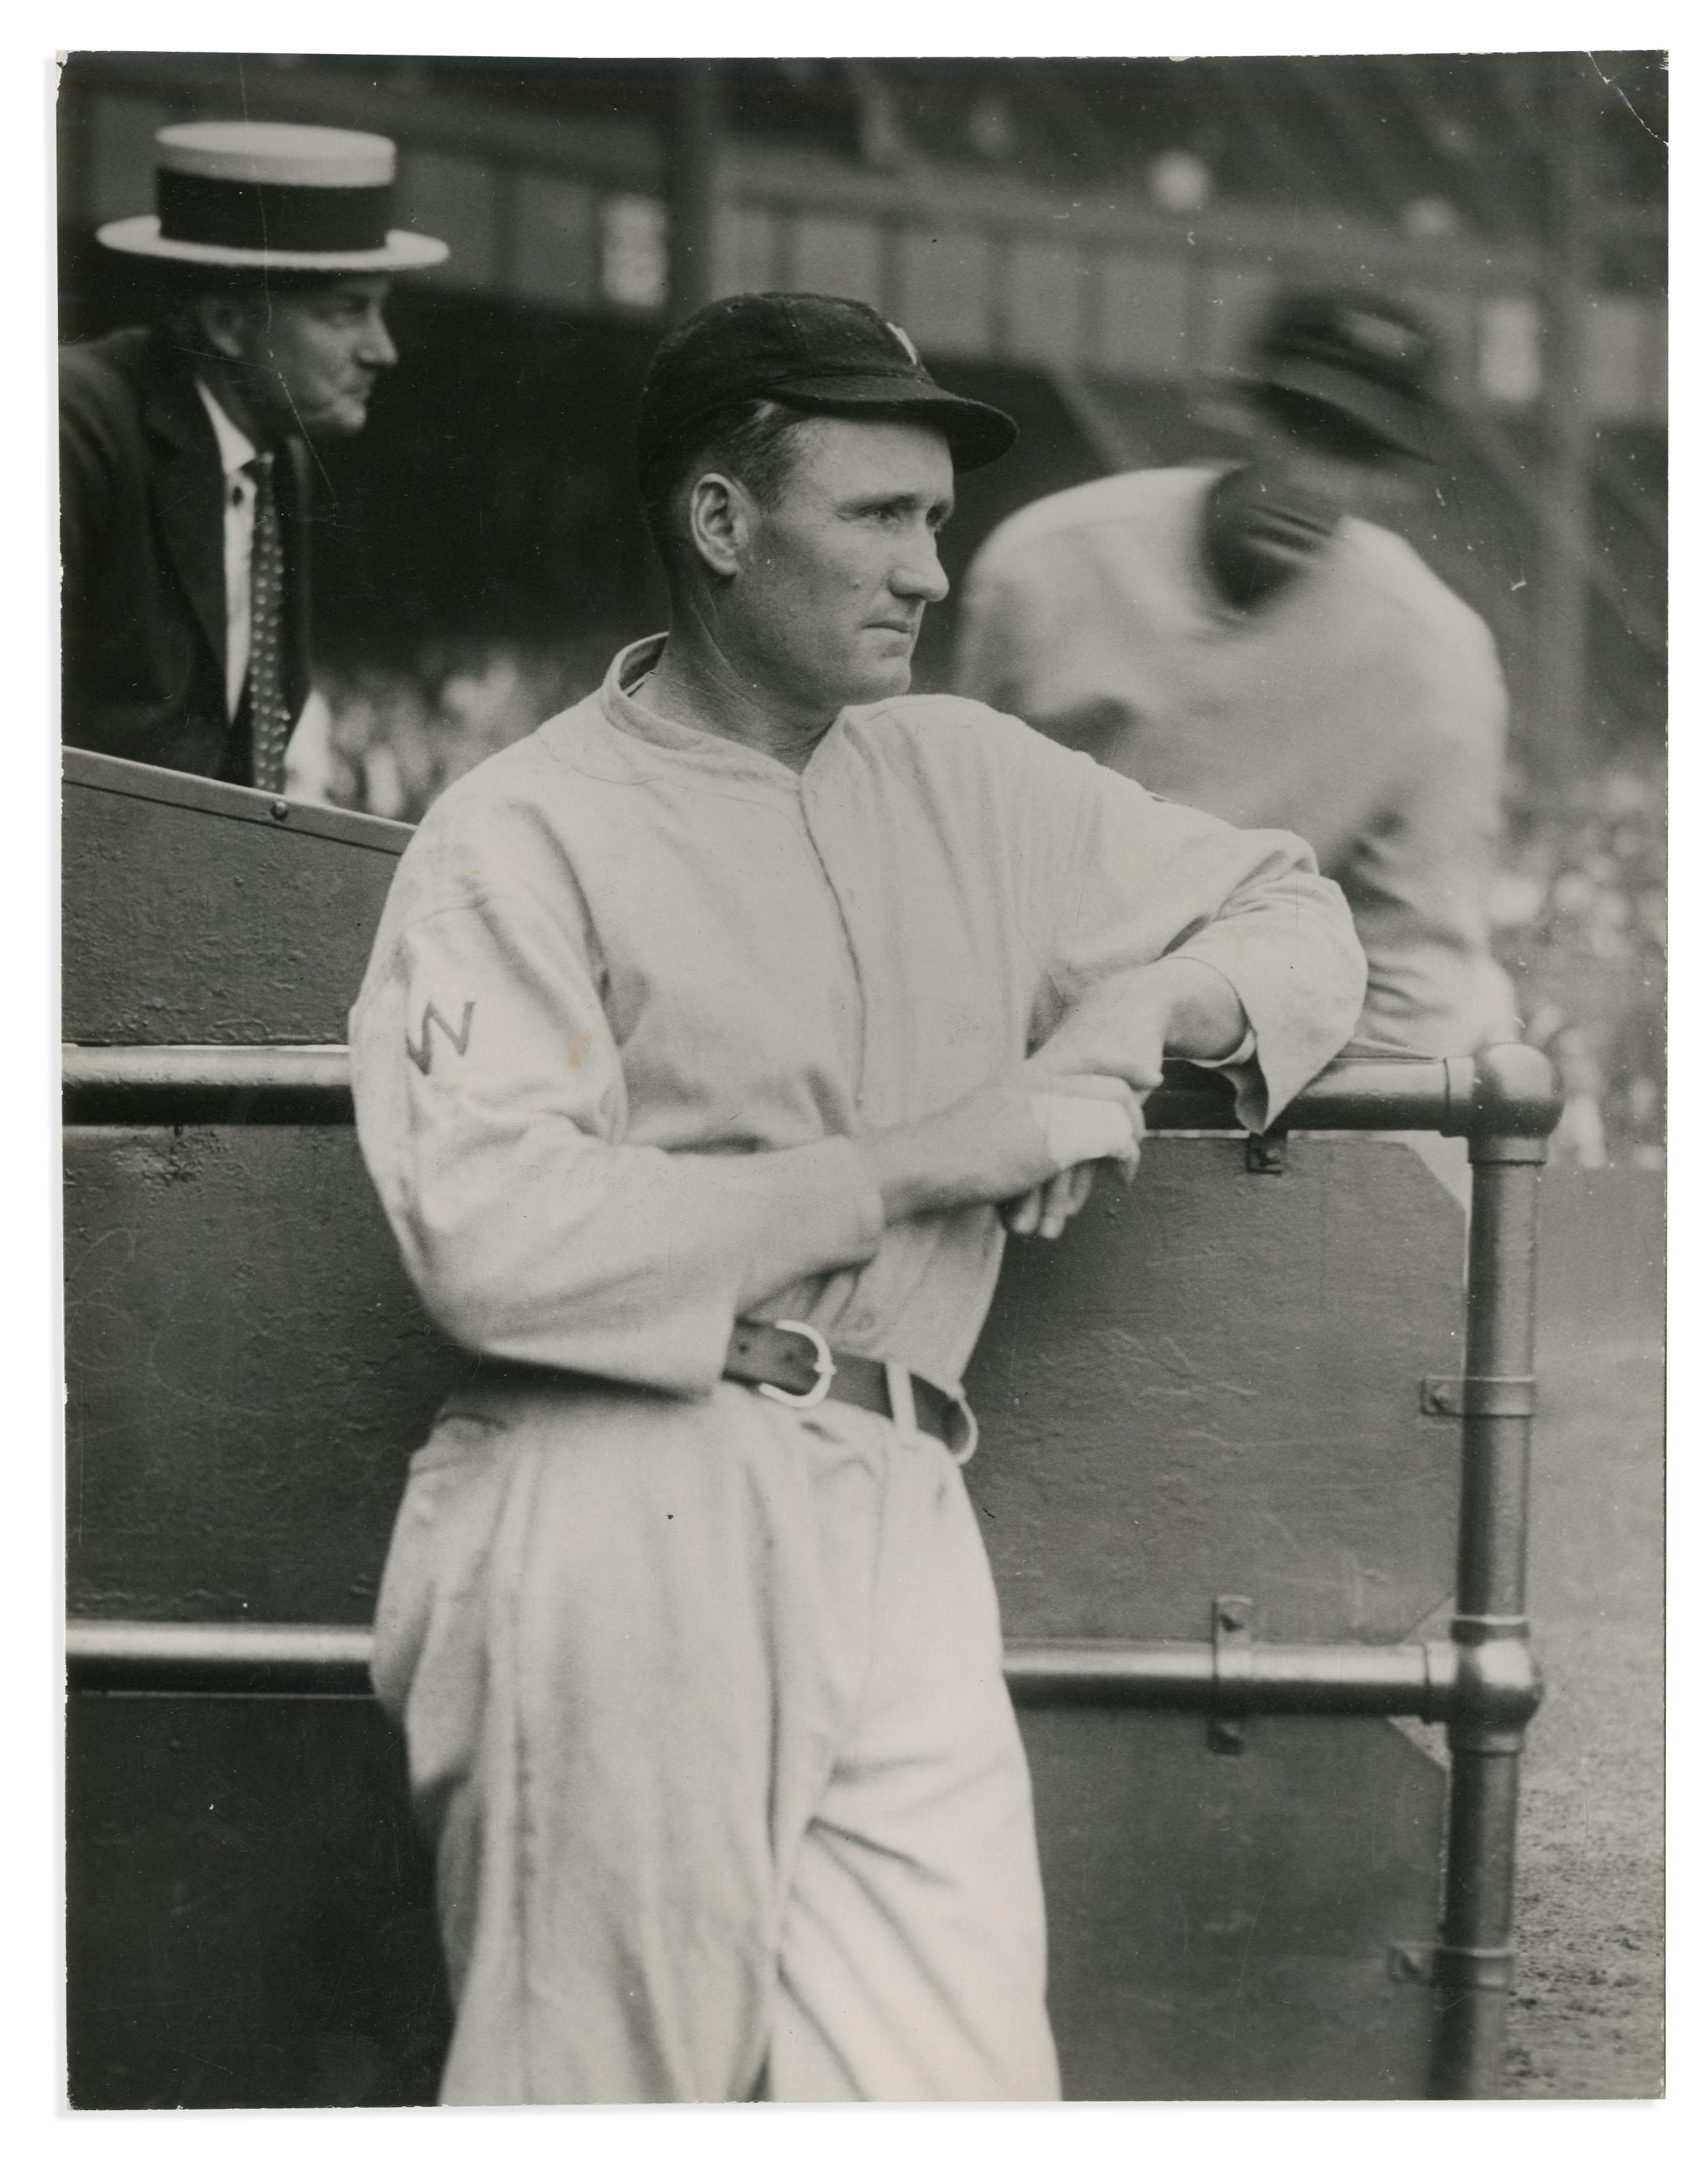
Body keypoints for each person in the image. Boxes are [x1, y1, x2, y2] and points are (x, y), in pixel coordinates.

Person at [348, 291, 1366, 2104]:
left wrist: (1134, 1019)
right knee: (591, 2103)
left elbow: (1294, 917)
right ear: (722, 528)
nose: (929, 566)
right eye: (878, 517)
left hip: (901, 1488)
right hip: (619, 1487)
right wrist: (930, 1156)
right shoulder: (518, 829)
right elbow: (492, 1239)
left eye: (935, 519)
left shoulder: (969, 775)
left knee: (957, 2098)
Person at [955, 286, 1518, 1060]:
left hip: (1266, 1067)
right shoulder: (1048, 562)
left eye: (1355, 449)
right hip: (1031, 1027)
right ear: (1241, 415)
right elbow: (951, 855)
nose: (1316, 479)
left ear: (1389, 475)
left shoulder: (1438, 655)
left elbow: (1421, 977)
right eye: (1302, 426)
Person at [60, 120, 447, 786]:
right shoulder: (67, 422)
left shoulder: (277, 459)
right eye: (347, 311)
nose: (381, 350)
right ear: (227, 323)